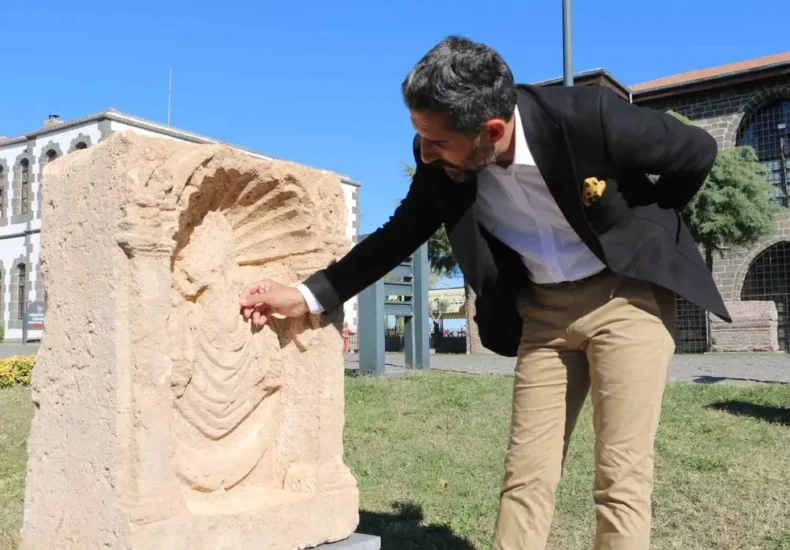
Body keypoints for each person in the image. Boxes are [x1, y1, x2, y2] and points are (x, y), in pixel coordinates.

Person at [239, 36, 730, 550]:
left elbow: (698, 151)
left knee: (620, 479)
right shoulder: (439, 162)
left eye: (437, 140)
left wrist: (636, 228)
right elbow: (397, 235)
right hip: (544, 315)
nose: (425, 154)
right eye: (420, 137)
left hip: (624, 303)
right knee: (526, 476)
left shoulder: (589, 119)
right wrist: (308, 295)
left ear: (490, 131)